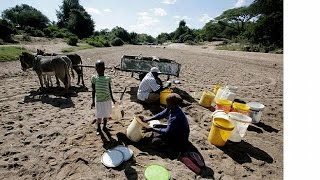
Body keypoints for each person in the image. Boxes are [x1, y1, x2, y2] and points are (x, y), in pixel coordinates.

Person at [91, 60, 116, 135]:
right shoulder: (94, 78)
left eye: (101, 68)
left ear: (104, 68)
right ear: (95, 69)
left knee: (106, 115)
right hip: (98, 100)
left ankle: (104, 126)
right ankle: (98, 127)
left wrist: (112, 99)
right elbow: (93, 90)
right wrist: (92, 101)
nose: (99, 70)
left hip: (107, 100)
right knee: (99, 116)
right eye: (98, 68)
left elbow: (110, 89)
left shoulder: (108, 77)